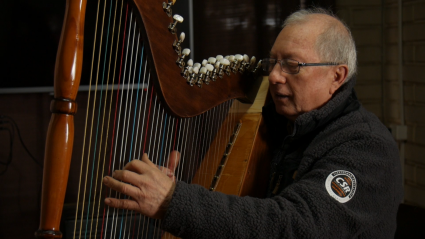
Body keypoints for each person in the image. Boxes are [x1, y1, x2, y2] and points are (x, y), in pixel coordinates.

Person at [102, 8, 403, 238]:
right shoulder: (282, 125)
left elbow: (294, 225)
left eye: (292, 65)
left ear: (336, 76)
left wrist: (175, 200)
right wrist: (167, 194)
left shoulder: (367, 146)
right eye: (273, 62)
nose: (274, 76)